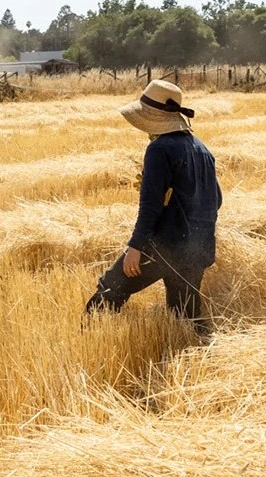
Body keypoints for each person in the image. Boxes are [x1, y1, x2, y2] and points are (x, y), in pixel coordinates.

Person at [85, 80, 222, 336]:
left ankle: (86, 341)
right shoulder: (202, 149)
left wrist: (135, 247)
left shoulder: (159, 149)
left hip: (165, 246)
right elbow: (216, 200)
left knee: (110, 289)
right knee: (186, 314)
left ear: (153, 116)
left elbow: (150, 208)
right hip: (198, 247)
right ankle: (206, 357)